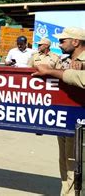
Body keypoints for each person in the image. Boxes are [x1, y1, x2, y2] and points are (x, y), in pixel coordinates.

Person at [34, 27, 84, 195]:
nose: (59, 44)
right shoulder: (66, 60)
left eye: (63, 41)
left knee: (76, 164)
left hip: (80, 122)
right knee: (65, 163)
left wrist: (51, 71)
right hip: (64, 118)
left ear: (75, 42)